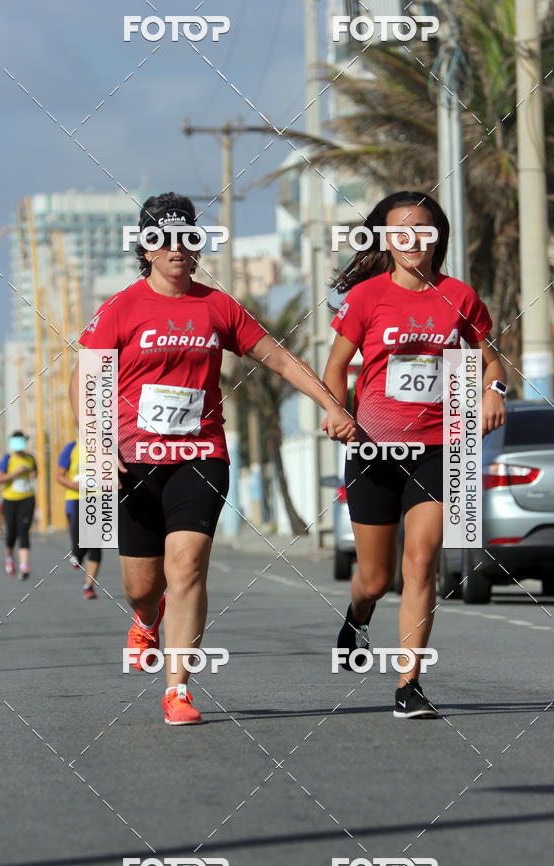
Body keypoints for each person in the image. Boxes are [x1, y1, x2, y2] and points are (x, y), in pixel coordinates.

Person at [71, 192, 355, 725]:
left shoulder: (217, 306)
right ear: (146, 247)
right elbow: (86, 379)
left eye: (187, 237)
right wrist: (97, 444)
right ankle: (144, 619)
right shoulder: (120, 309)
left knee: (188, 566)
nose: (178, 248)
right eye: (164, 238)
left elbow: (278, 358)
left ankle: (177, 688)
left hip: (201, 455)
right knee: (142, 584)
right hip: (135, 462)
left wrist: (332, 404)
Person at [323, 191, 506, 718]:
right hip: (373, 449)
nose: (412, 241)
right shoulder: (366, 298)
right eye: (400, 231)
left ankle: (409, 685)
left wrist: (494, 393)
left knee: (421, 561)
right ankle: (359, 615)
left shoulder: (460, 297)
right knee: (376, 578)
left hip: (436, 447)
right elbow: (336, 367)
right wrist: (340, 412)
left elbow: (492, 364)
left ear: (437, 237)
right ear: (385, 238)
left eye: (423, 231)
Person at [56, 439, 102, 600]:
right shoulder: (71, 448)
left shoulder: (105, 445)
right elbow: (59, 476)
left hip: (97, 499)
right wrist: (74, 485)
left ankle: (88, 586)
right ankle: (77, 554)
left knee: (95, 545)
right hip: (75, 499)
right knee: (79, 544)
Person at [0, 430, 37, 580]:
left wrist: (32, 474)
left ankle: (24, 566)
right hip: (10, 500)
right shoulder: (7, 458)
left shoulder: (30, 457)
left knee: (24, 531)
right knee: (11, 532)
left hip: (27, 498)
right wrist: (16, 472)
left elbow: (35, 473)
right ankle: (9, 558)